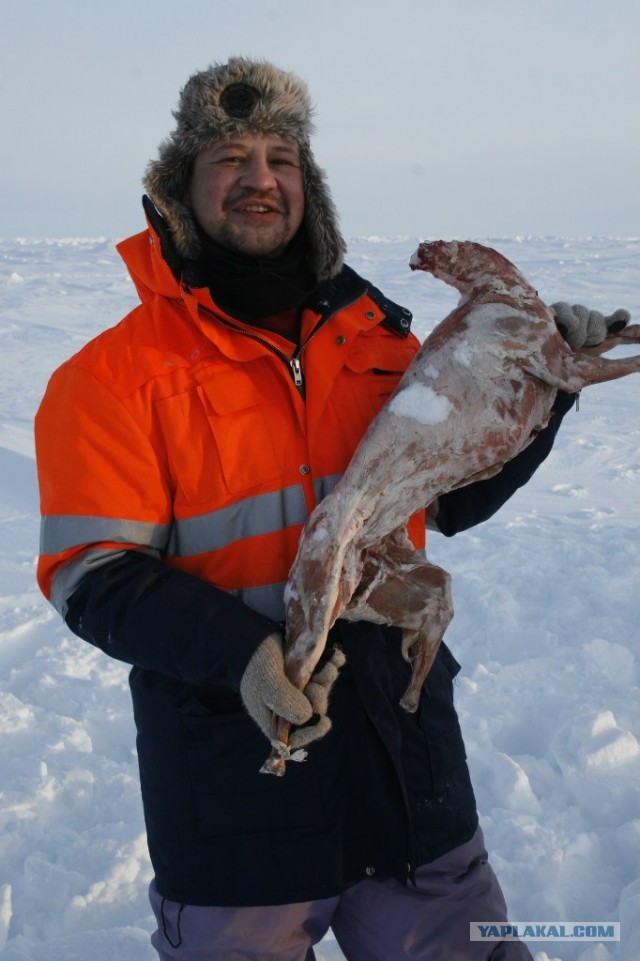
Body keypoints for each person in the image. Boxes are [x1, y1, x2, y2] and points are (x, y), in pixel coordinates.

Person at [35, 57, 629, 961]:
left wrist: (541, 389)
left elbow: (452, 496)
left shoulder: (382, 337)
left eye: (282, 155)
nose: (260, 177)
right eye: (229, 156)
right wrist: (244, 656)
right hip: (238, 788)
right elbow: (94, 574)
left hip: (407, 770)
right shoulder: (110, 377)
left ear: (307, 184)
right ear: (177, 186)